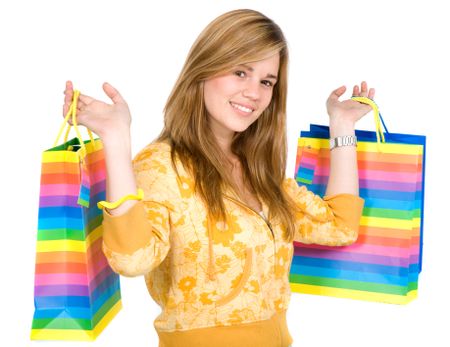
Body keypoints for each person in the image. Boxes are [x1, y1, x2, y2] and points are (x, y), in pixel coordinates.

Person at [63, 9, 374, 347]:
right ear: (203, 69)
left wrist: (342, 127)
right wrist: (116, 137)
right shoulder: (160, 166)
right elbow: (132, 260)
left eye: (266, 82)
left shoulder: (259, 169)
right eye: (240, 72)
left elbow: (339, 226)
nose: (254, 93)